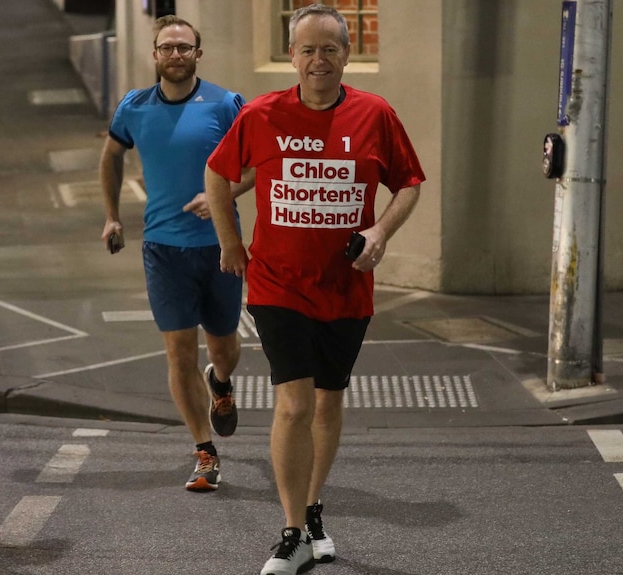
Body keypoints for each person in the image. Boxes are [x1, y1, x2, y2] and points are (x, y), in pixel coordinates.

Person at [205, 4, 425, 573]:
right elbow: (217, 172)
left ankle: (313, 506)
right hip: (278, 286)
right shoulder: (261, 114)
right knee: (294, 403)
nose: (318, 60)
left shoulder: (375, 115)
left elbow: (408, 183)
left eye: (329, 49)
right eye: (307, 49)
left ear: (347, 54)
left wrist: (380, 230)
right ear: (292, 55)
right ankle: (292, 530)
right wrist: (230, 240)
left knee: (328, 402)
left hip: (347, 288)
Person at [99, 15, 253, 492]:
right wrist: (111, 216)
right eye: (167, 48)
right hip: (163, 250)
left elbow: (256, 166)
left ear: (197, 55)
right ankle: (205, 451)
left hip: (221, 248)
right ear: (155, 55)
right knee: (177, 352)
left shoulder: (226, 105)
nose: (176, 55)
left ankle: (221, 384)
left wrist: (222, 196)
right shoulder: (135, 107)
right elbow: (110, 155)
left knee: (225, 348)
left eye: (184, 48)